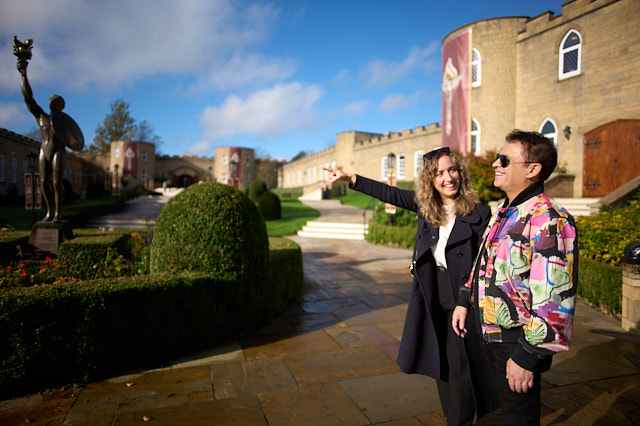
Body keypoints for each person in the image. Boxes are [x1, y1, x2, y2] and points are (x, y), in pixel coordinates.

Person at [324, 147, 499, 425]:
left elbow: (482, 265)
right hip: (432, 292)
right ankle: (452, 416)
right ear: (430, 180)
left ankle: (461, 420)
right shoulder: (426, 207)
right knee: (441, 361)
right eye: (439, 173)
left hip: (462, 297)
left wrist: (464, 302)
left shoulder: (479, 213)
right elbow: (388, 193)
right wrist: (350, 178)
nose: (448, 178)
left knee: (461, 365)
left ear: (461, 173)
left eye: (452, 170)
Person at [452, 130, 578, 425]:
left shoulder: (550, 219)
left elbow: (556, 300)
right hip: (490, 333)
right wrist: (463, 299)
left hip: (518, 341)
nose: (496, 164)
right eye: (498, 157)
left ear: (533, 170)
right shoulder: (505, 211)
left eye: (505, 160)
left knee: (518, 417)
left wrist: (529, 356)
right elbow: (484, 262)